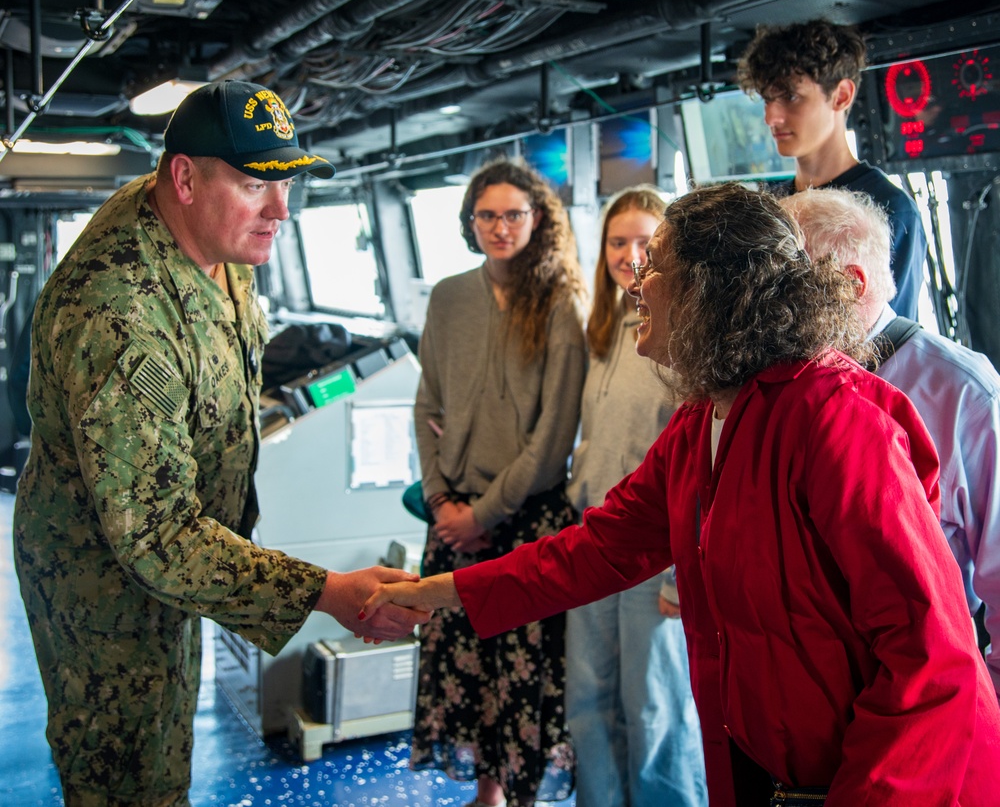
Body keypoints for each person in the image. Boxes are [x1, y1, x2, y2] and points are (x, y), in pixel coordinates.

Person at [361, 182, 1000, 807]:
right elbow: (599, 549)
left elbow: (932, 663)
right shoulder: (703, 421)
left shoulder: (836, 421)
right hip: (769, 765)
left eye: (655, 266)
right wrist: (433, 594)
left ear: (711, 291)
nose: (636, 282)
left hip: (882, 779)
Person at [12, 79, 427, 807]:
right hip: (103, 590)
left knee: (168, 748)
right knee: (128, 779)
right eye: (253, 184)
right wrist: (328, 592)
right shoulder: (120, 311)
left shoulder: (209, 231)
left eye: (287, 184)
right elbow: (157, 535)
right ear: (184, 178)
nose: (281, 211)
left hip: (175, 572)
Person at [411, 158, 586, 807]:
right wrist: (439, 501)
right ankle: (486, 795)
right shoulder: (448, 296)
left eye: (514, 213)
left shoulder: (561, 303)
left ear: (537, 219)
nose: (499, 226)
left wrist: (484, 512)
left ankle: (523, 797)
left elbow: (553, 436)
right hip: (452, 517)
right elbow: (426, 399)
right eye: (487, 214)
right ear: (470, 221)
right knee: (469, 666)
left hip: (525, 520)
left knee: (523, 673)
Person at [782, 186, 1000, 699]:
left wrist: (983, 712)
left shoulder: (964, 392)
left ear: (850, 285)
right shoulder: (786, 379)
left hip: (930, 688)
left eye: (786, 283)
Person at [565, 186, 706, 807]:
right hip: (594, 543)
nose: (630, 255)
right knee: (589, 700)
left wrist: (683, 571)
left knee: (653, 708)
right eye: (617, 242)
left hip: (656, 562)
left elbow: (700, 462)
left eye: (646, 243)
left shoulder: (685, 341)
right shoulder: (606, 330)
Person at [736, 18, 928, 320]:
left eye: (790, 97)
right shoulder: (770, 207)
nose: (771, 117)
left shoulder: (891, 208)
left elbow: (892, 341)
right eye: (767, 99)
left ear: (841, 96)